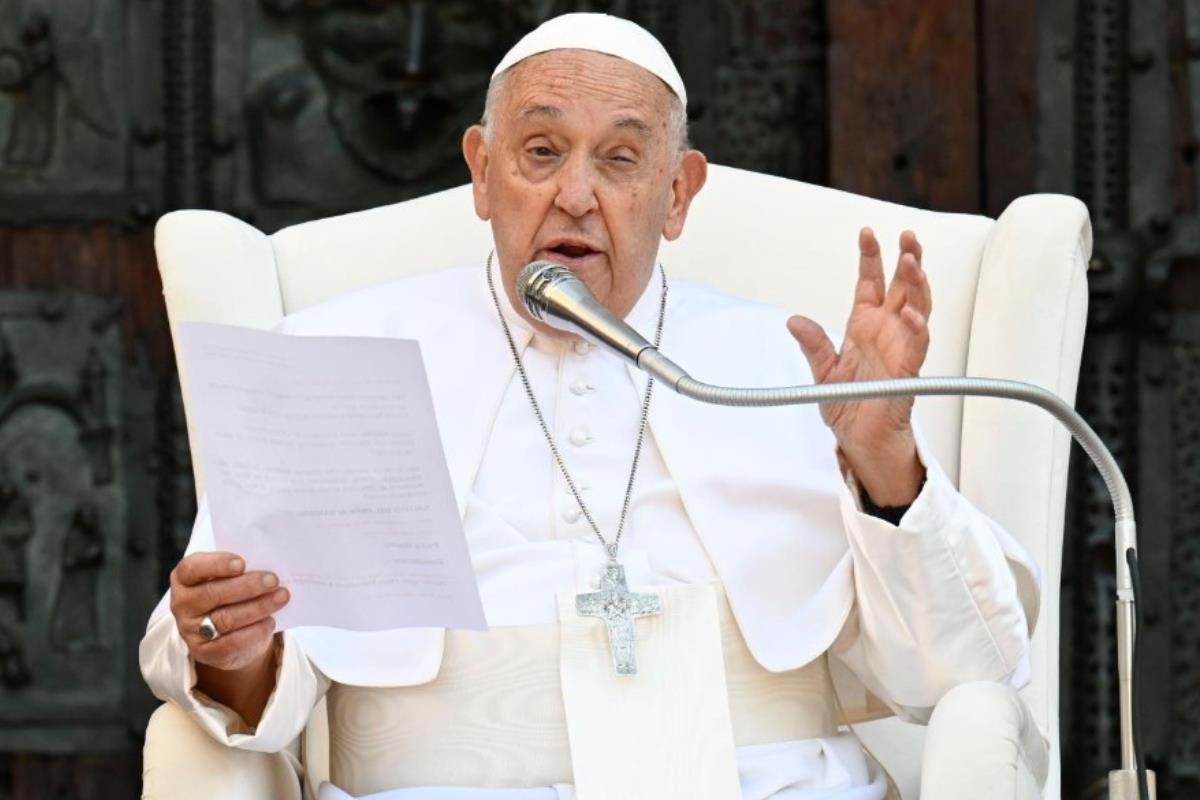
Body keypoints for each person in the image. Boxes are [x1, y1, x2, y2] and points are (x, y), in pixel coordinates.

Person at [140, 13, 1043, 800]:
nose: (576, 194)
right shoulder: (333, 356)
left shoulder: (795, 370)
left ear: (679, 192)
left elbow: (965, 672)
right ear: (483, 172)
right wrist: (234, 648)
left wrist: (886, 464)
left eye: (620, 158)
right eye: (541, 153)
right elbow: (244, 660)